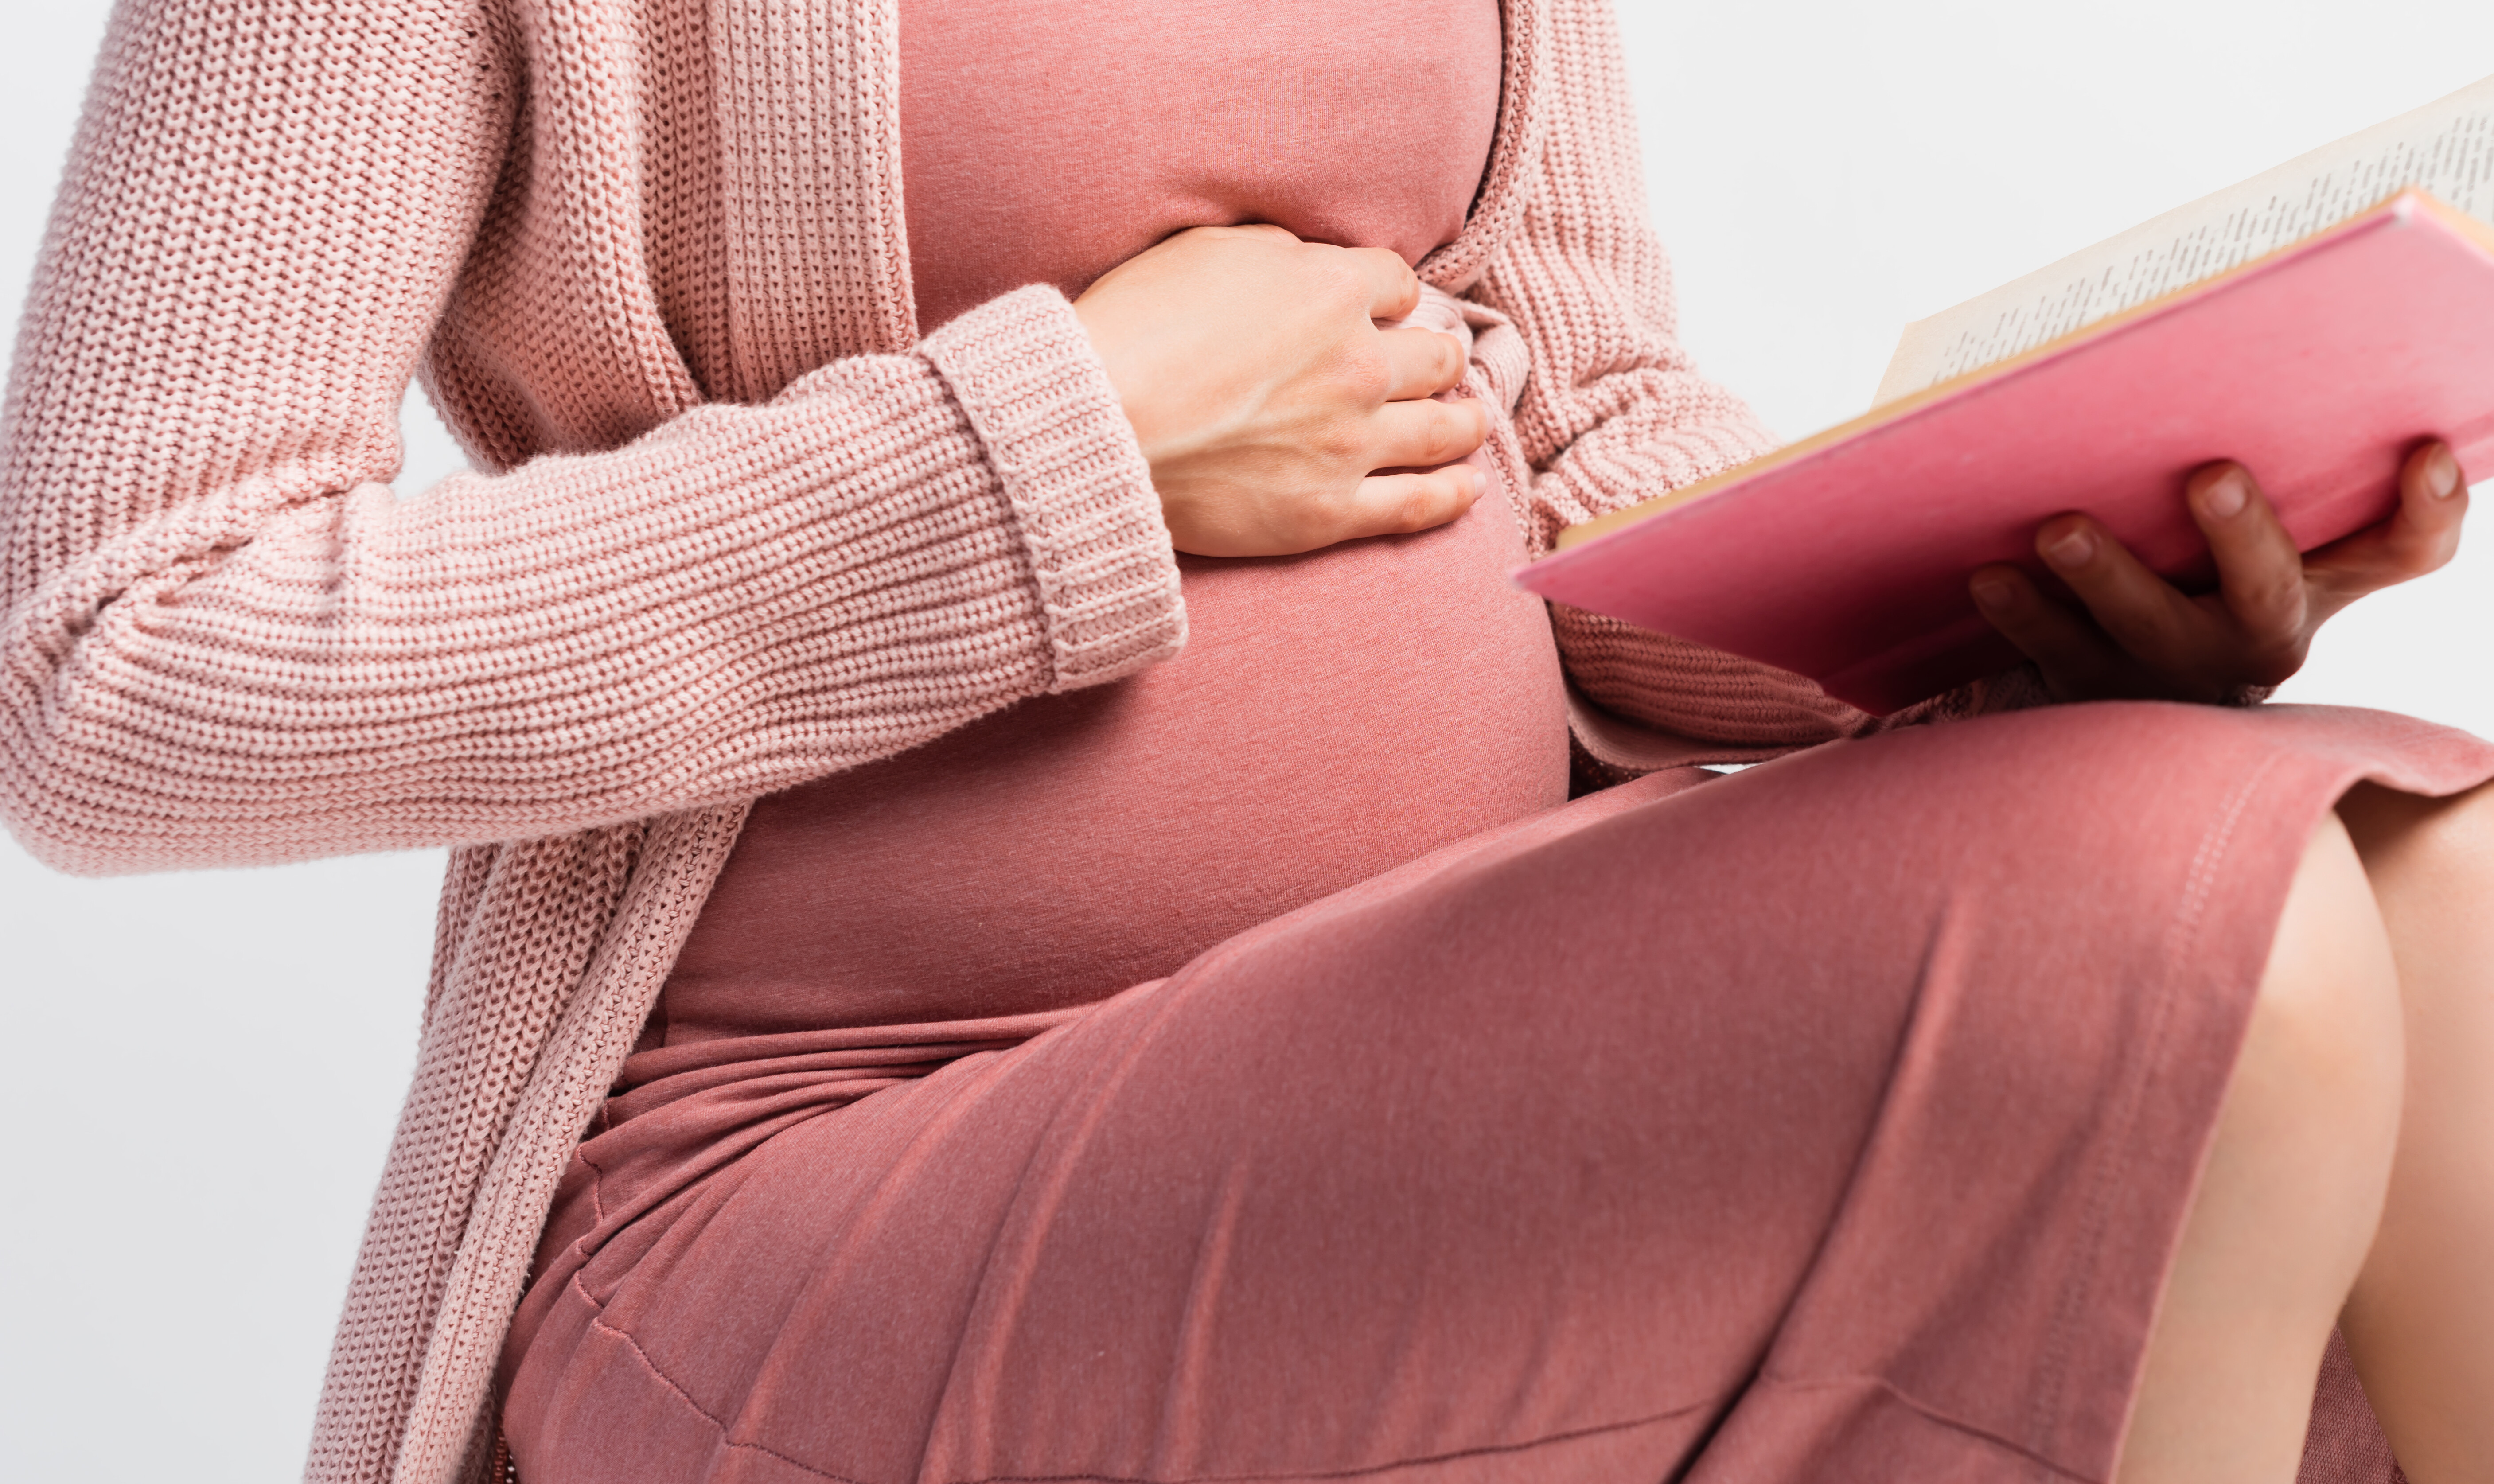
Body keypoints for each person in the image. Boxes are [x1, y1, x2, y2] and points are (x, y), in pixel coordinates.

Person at [1, 1, 2487, 1482]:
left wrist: (1994, 601)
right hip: (809, 1180)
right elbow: (114, 659)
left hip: (1446, 1059)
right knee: (2202, 936)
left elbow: (1567, 402)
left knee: (2437, 883)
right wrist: (1044, 456)